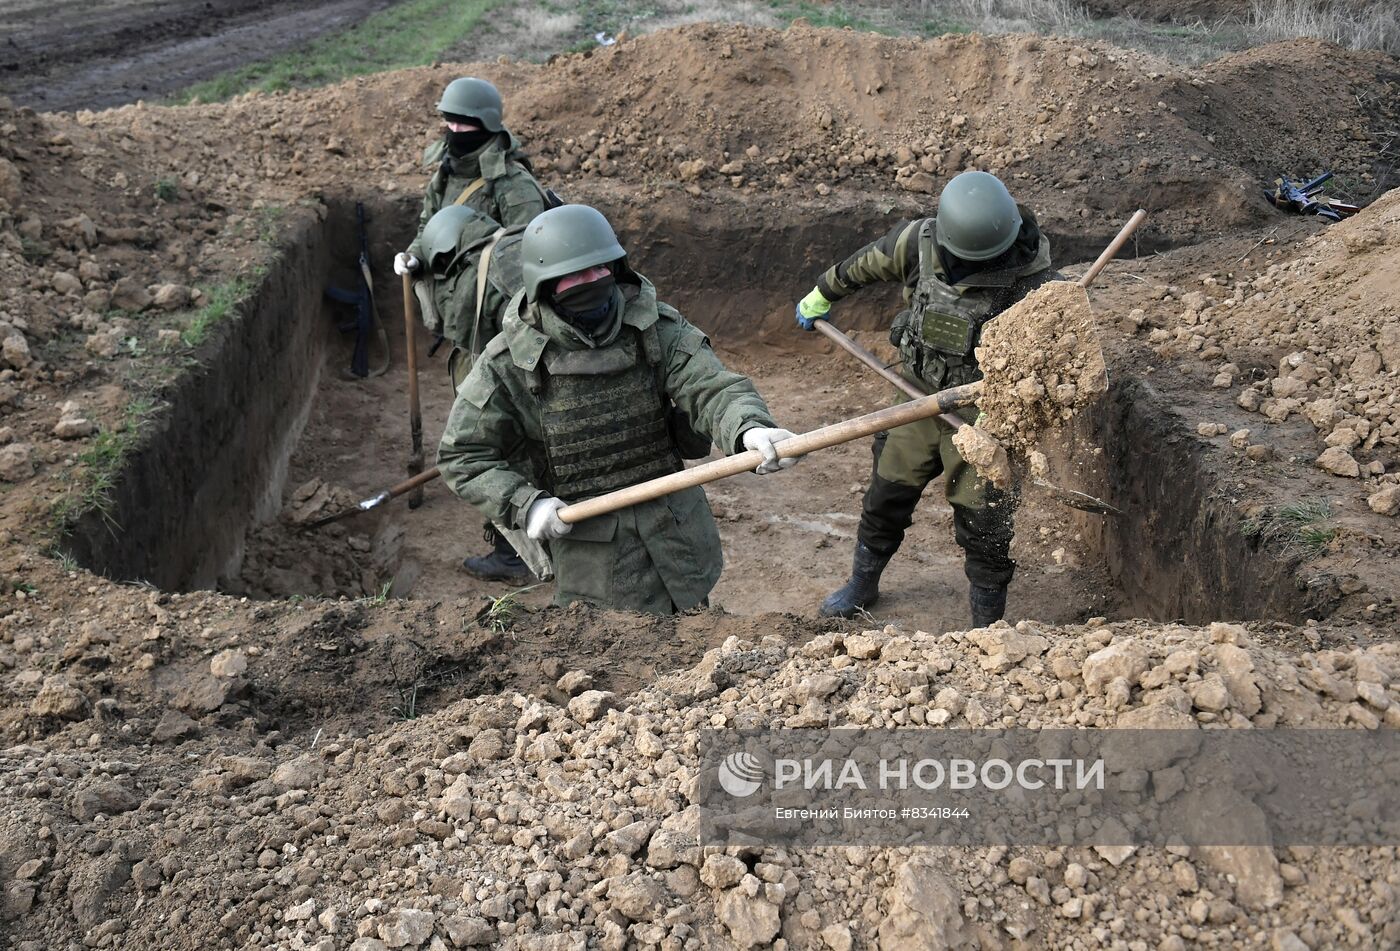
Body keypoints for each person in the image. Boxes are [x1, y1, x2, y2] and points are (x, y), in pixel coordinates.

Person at [438, 204, 800, 614]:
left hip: (674, 534)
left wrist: (749, 428)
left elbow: (710, 387)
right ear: (544, 285)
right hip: (592, 555)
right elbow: (461, 456)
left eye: (599, 269)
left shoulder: (656, 327)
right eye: (574, 276)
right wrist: (525, 503)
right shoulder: (507, 363)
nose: (590, 282)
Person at [794, 171, 1060, 627]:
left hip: (984, 417)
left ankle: (987, 626)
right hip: (915, 396)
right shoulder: (919, 242)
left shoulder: (1034, 283)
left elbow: (1051, 362)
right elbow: (865, 264)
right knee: (886, 496)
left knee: (986, 524)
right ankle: (863, 583)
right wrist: (822, 292)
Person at [417, 204, 538, 584]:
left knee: (502, 457)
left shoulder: (473, 276)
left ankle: (513, 558)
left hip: (521, 377)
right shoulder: (518, 244)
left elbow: (460, 331)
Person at [394, 77, 548, 278]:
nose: (455, 130)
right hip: (448, 298)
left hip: (489, 301)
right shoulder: (446, 173)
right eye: (450, 121)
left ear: (486, 125)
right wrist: (415, 256)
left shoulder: (513, 183)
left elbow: (526, 255)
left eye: (464, 124)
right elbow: (429, 226)